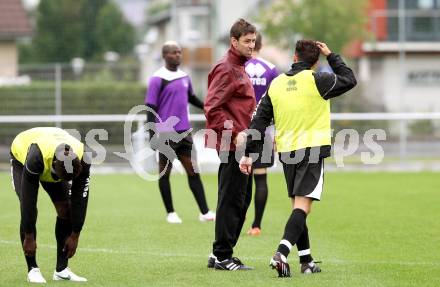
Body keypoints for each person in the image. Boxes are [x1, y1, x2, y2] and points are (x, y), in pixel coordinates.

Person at [239, 40, 357, 277]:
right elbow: (349, 78)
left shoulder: (277, 84)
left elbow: (258, 122)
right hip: (311, 150)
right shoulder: (318, 79)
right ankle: (281, 253)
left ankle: (306, 261)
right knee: (303, 206)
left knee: (297, 205)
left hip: (286, 152)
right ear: (315, 62)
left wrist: (249, 154)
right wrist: (331, 55)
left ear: (294, 57)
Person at [204, 18, 257, 271]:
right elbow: (212, 108)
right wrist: (235, 133)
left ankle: (220, 254)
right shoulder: (227, 68)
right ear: (233, 41)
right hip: (232, 144)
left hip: (243, 146)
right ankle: (222, 255)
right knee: (232, 200)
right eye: (246, 41)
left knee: (241, 200)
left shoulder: (240, 67)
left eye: (253, 41)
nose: (251, 45)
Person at [145, 41, 215, 224]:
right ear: (165, 55)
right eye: (173, 52)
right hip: (165, 133)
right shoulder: (157, 79)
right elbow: (150, 108)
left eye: (179, 52)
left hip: (185, 133)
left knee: (193, 171)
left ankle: (205, 212)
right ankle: (171, 213)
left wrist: (206, 107)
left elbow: (190, 97)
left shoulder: (185, 76)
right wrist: (152, 136)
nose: (178, 55)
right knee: (165, 173)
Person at [10, 127, 91, 283]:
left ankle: (61, 270)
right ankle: (32, 269)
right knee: (28, 207)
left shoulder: (83, 158)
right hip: (23, 157)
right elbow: (29, 203)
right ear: (54, 164)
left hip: (51, 154)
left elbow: (80, 198)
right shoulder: (36, 158)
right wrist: (29, 236)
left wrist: (76, 233)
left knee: (65, 209)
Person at [244, 32, 279, 236]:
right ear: (262, 45)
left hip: (241, 129)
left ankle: (241, 214)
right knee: (261, 177)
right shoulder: (271, 69)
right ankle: (256, 225)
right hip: (264, 130)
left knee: (241, 177)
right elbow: (277, 102)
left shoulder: (239, 67)